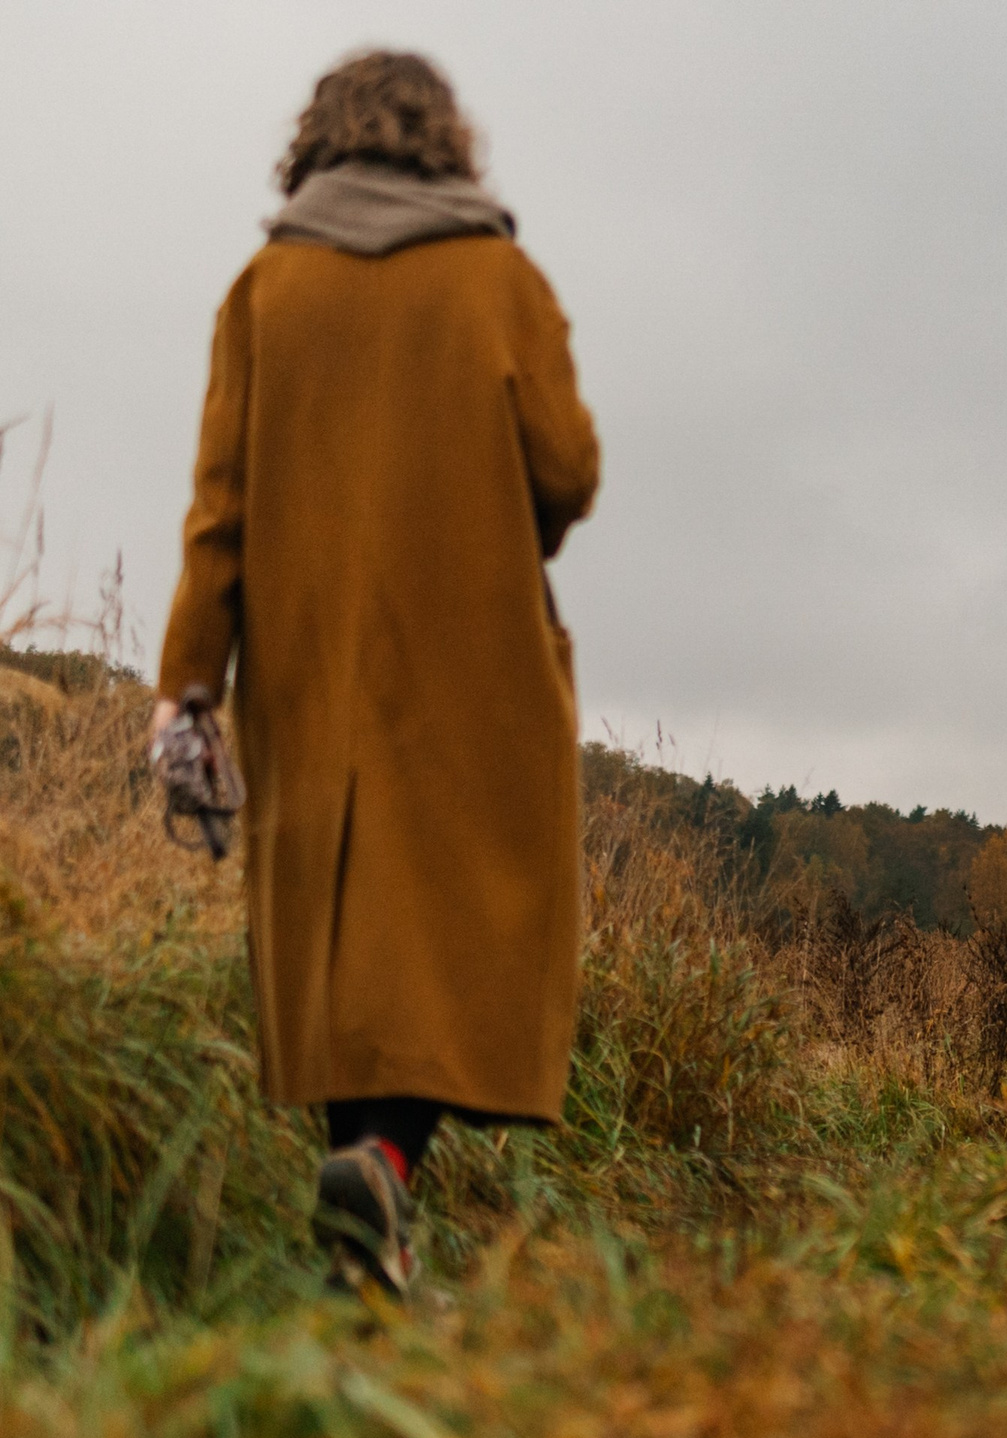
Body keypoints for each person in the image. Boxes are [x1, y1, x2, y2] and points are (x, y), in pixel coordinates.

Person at [152, 50, 600, 1297]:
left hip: (306, 666)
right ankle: (386, 1170)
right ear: (445, 138)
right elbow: (565, 469)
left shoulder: (265, 289)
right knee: (461, 931)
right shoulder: (499, 278)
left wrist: (187, 683)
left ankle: (370, 1219)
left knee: (343, 941)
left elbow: (220, 511)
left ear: (317, 141)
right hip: (475, 656)